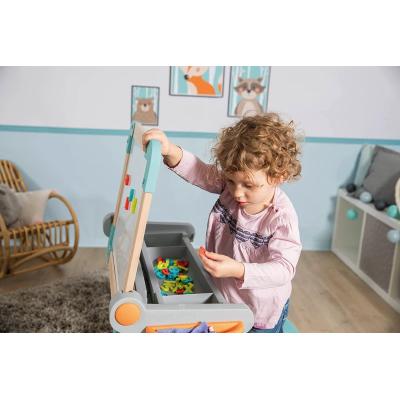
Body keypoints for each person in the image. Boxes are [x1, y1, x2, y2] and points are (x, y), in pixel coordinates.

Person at [142, 113, 302, 332]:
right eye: (231, 181)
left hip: (259, 308)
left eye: (248, 186)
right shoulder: (232, 186)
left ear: (278, 176)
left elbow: (284, 269)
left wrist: (239, 270)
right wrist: (170, 150)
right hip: (225, 294)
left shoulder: (281, 217)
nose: (236, 192)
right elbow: (199, 171)